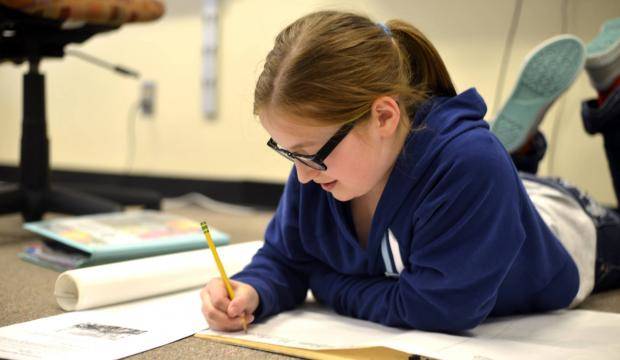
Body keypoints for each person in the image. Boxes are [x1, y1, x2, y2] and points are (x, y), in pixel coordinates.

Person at [200, 11, 620, 333]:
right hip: (473, 192)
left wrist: (324, 283)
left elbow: (436, 309)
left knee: (485, 170)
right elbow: (287, 257)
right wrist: (251, 289)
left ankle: (608, 91)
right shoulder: (318, 167)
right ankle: (517, 158)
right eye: (288, 154)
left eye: (308, 154)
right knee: (482, 180)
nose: (302, 175)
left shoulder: (468, 164)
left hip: (571, 232)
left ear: (383, 116)